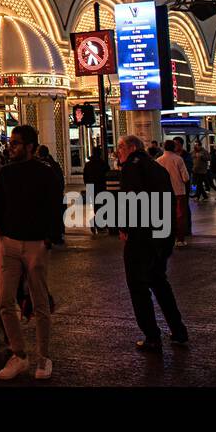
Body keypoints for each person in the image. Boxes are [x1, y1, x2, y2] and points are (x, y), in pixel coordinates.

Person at [0, 125, 62, 381]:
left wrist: (48, 238)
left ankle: (43, 356)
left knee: (40, 302)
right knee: (4, 300)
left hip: (35, 243)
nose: (10, 147)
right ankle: (19, 355)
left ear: (30, 146)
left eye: (16, 143)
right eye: (11, 142)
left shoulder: (45, 173)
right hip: (8, 242)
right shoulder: (5, 172)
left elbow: (55, 206)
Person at [116, 134, 188, 352]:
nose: (117, 152)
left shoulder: (132, 167)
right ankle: (178, 330)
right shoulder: (156, 167)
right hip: (162, 233)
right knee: (159, 281)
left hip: (142, 235)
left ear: (130, 148)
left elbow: (131, 199)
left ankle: (152, 335)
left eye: (120, 147)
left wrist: (125, 227)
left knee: (138, 285)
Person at [156, 140, 191, 247]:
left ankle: (166, 237)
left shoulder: (158, 160)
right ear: (174, 148)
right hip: (179, 191)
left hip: (164, 191)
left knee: (165, 215)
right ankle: (180, 239)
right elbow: (186, 177)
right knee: (180, 216)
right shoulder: (178, 159)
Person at [83, 146, 109, 235]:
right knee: (101, 206)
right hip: (100, 187)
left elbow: (85, 177)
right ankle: (97, 223)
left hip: (91, 187)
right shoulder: (102, 163)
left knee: (96, 206)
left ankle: (96, 223)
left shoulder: (88, 164)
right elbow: (107, 172)